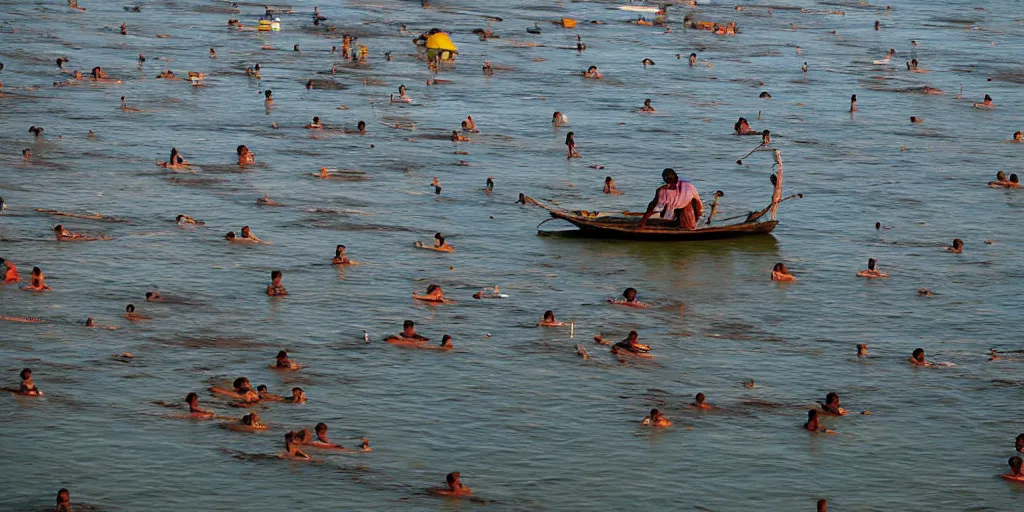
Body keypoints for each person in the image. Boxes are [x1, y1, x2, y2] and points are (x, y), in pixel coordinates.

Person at [638, 168, 703, 230]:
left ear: (665, 179)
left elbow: (652, 207)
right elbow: (698, 205)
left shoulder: (662, 190)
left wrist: (643, 222)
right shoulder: (689, 186)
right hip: (689, 220)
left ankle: (683, 225)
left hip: (686, 220)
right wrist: (698, 218)